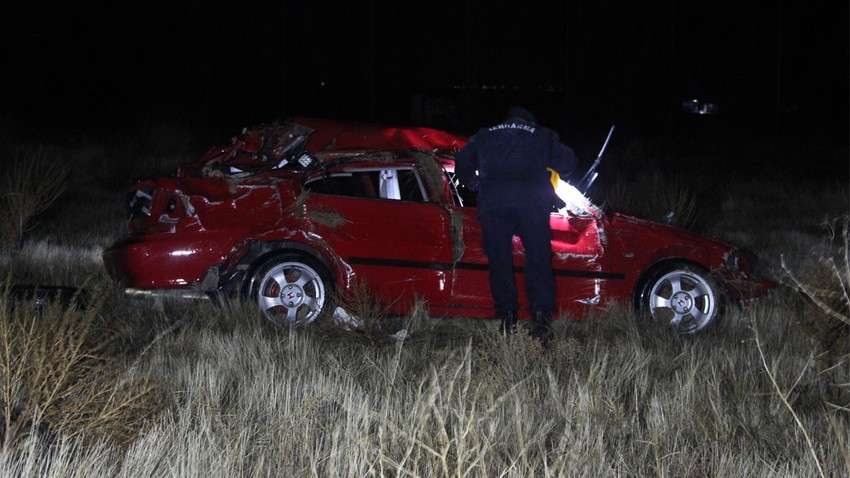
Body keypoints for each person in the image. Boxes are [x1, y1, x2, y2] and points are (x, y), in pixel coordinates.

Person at [454, 106, 578, 339]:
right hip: (532, 206)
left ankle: (508, 316)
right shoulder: (542, 135)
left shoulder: (485, 134)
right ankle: (540, 317)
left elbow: (462, 160)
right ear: (530, 121)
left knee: (499, 260)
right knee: (538, 260)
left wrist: (473, 183)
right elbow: (568, 162)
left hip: (494, 205)